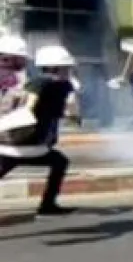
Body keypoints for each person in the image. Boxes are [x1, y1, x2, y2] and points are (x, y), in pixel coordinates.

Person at [0, 44, 78, 216]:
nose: (68, 70)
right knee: (59, 162)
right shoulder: (64, 86)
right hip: (35, 146)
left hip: (14, 145)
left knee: (58, 161)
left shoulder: (36, 83)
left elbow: (27, 108)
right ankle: (47, 206)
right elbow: (72, 112)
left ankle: (48, 206)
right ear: (56, 67)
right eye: (66, 67)